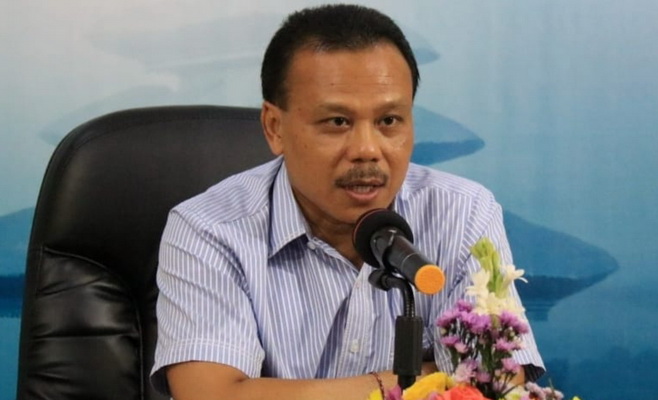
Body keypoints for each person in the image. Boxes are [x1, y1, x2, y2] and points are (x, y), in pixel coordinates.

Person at [151, 4, 544, 399]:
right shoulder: (208, 229)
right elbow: (213, 396)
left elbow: (497, 384)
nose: (367, 150)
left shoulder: (462, 214)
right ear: (274, 127)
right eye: (338, 122)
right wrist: (413, 381)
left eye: (388, 121)